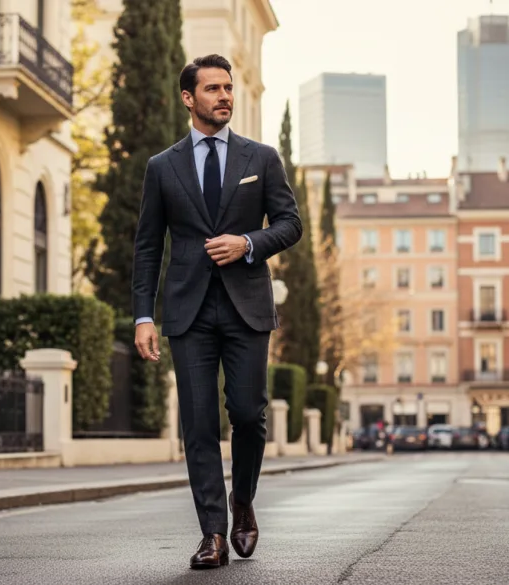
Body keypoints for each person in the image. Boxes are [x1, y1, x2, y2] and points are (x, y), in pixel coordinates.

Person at [131, 54, 302, 570]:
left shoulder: (262, 158)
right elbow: (146, 247)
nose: (225, 96)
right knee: (199, 424)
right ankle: (213, 534)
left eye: (228, 87)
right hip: (187, 313)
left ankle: (243, 501)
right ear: (189, 98)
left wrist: (248, 242)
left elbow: (290, 224)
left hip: (247, 308)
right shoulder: (162, 167)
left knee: (248, 416)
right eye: (213, 89)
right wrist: (143, 315)